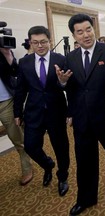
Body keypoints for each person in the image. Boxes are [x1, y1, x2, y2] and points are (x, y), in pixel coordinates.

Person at [55, 13, 105, 215]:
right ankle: (86, 199)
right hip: (82, 120)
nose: (86, 35)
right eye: (80, 32)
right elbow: (71, 88)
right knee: (85, 162)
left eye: (88, 29)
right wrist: (63, 82)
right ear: (74, 35)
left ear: (94, 28)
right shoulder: (70, 57)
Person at [13, 26, 70, 195]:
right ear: (30, 43)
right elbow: (20, 89)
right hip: (33, 112)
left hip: (56, 111)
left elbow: (67, 86)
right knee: (30, 146)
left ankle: (62, 177)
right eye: (36, 42)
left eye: (43, 42)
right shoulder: (25, 62)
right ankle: (48, 165)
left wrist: (63, 82)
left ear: (49, 41)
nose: (40, 46)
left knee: (61, 147)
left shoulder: (61, 59)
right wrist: (17, 113)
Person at [0, 48, 33, 186]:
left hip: (5, 102)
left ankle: (27, 168)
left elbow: (15, 71)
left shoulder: (2, 50)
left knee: (17, 137)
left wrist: (7, 54)